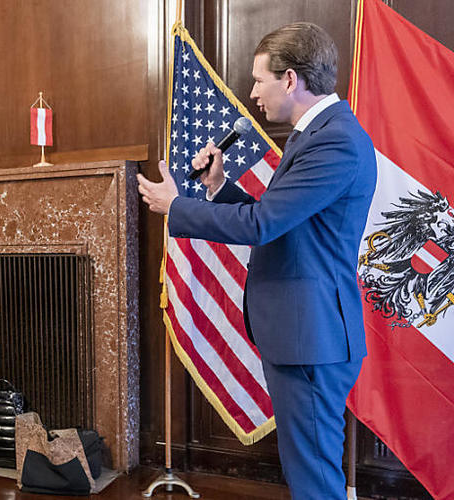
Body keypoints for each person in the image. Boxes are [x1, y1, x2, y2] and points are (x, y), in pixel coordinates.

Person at [137, 22, 375, 499]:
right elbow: (281, 223)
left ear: (290, 79)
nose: (252, 92)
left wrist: (177, 206)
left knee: (315, 480)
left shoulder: (335, 140)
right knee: (306, 469)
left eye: (259, 79)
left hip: (311, 339)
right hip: (302, 335)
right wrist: (219, 188)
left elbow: (263, 225)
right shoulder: (317, 135)